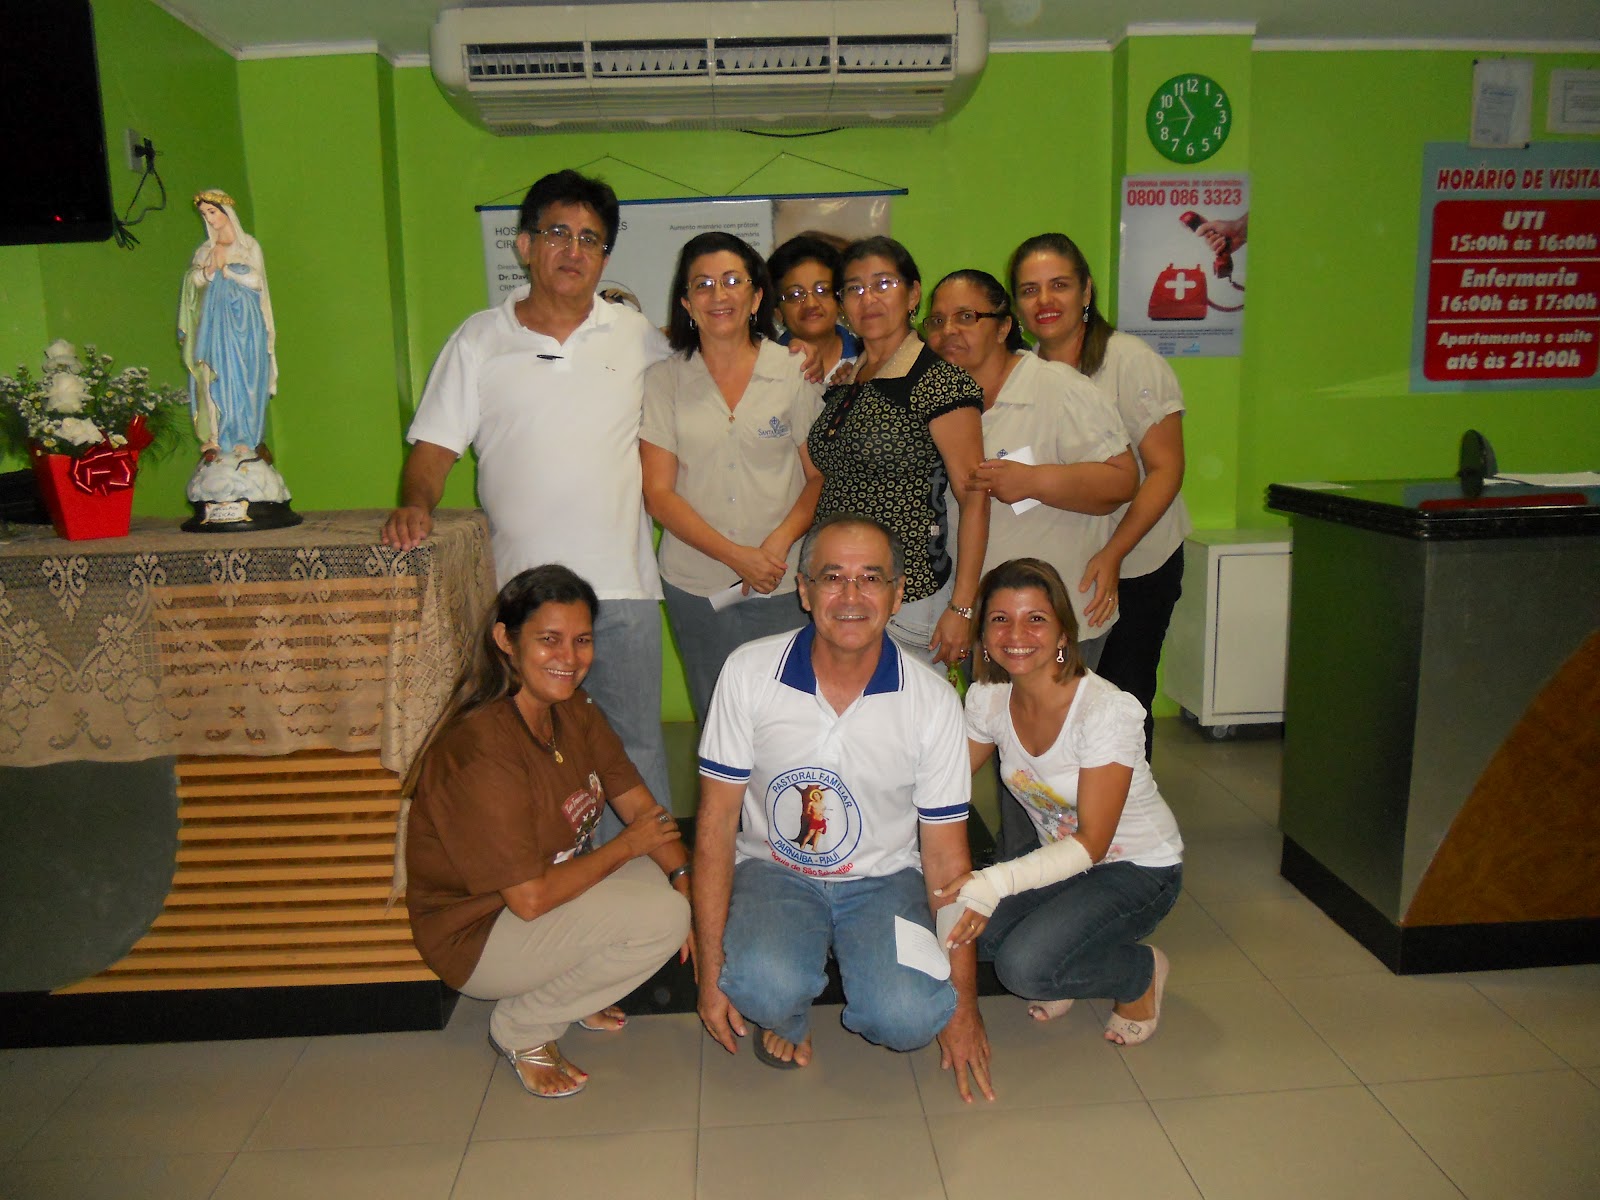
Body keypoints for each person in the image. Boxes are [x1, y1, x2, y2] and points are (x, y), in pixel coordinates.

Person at [382, 170, 674, 839]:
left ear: (605, 257)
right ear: (524, 245)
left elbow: (707, 380)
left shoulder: (636, 337)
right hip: (521, 597)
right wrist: (414, 504)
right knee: (535, 754)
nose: (574, 250)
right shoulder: (479, 340)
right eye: (559, 234)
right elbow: (432, 451)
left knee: (634, 752)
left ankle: (652, 906)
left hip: (622, 593)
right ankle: (560, 899)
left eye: (592, 240)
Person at [693, 514, 994, 1102]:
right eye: (832, 577)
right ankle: (786, 1010)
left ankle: (845, 967)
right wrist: (709, 975)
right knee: (760, 984)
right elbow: (712, 830)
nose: (851, 597)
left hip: (885, 879)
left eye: (871, 578)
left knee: (909, 1018)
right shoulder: (749, 674)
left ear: (898, 592)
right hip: (773, 870)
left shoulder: (931, 701)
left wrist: (964, 1010)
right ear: (804, 591)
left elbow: (946, 857)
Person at [403, 564, 692, 1097]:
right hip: (476, 934)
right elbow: (531, 901)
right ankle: (523, 1026)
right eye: (549, 640)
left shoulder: (573, 709)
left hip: (534, 899)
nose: (570, 658)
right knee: (662, 918)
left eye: (582, 640)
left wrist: (682, 874)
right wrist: (632, 849)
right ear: (504, 641)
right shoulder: (483, 750)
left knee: (661, 889)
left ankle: (572, 991)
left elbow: (636, 803)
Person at [940, 558, 1183, 1045]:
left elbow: (1093, 843)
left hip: (1136, 869)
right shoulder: (989, 697)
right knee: (966, 931)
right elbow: (944, 784)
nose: (1016, 634)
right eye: (1000, 619)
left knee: (1023, 969)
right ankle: (1067, 952)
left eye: (1036, 619)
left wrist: (995, 880)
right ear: (984, 634)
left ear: (1063, 634)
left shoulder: (1104, 711)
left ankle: (1138, 974)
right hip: (1064, 864)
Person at [1010, 233, 1194, 755]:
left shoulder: (1127, 360)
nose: (1045, 302)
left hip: (1136, 564)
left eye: (1059, 286)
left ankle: (1122, 826)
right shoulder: (1022, 371)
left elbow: (1165, 470)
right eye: (1029, 290)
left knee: (1121, 701)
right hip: (1066, 564)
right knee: (1060, 706)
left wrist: (1114, 554)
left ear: (1086, 291)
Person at [641, 231, 823, 723]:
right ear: (686, 303)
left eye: (731, 281)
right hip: (695, 587)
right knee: (717, 721)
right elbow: (658, 494)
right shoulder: (664, 381)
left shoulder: (793, 372)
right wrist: (738, 557)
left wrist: (775, 548)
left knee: (788, 722)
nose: (718, 295)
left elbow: (817, 478)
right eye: (702, 285)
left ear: (756, 296)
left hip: (780, 583)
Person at [922, 269, 1138, 669]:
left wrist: (1032, 481)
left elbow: (1122, 479)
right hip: (980, 615)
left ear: (1004, 326)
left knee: (1052, 730)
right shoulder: (935, 398)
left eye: (966, 317)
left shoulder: (1055, 388)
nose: (948, 331)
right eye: (937, 321)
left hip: (1058, 616)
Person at [806, 237, 990, 667]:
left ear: (912, 294)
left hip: (908, 597)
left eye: (883, 284)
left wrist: (962, 607)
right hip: (840, 590)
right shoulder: (848, 381)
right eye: (853, 288)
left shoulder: (939, 382)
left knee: (908, 728)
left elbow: (974, 497)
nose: (867, 299)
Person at [178, 190, 275, 462]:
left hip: (244, 322)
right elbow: (194, 282)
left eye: (213, 211)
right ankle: (218, 436)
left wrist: (231, 273)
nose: (210, 218)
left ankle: (245, 436)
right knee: (213, 373)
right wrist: (206, 273)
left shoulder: (247, 247)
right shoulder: (205, 250)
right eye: (205, 214)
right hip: (214, 323)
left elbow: (258, 282)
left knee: (244, 377)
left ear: (226, 211)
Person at [767, 235, 861, 385]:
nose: (811, 304)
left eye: (822, 290)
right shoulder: (765, 367)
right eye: (795, 294)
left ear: (839, 300)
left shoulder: (864, 360)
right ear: (778, 312)